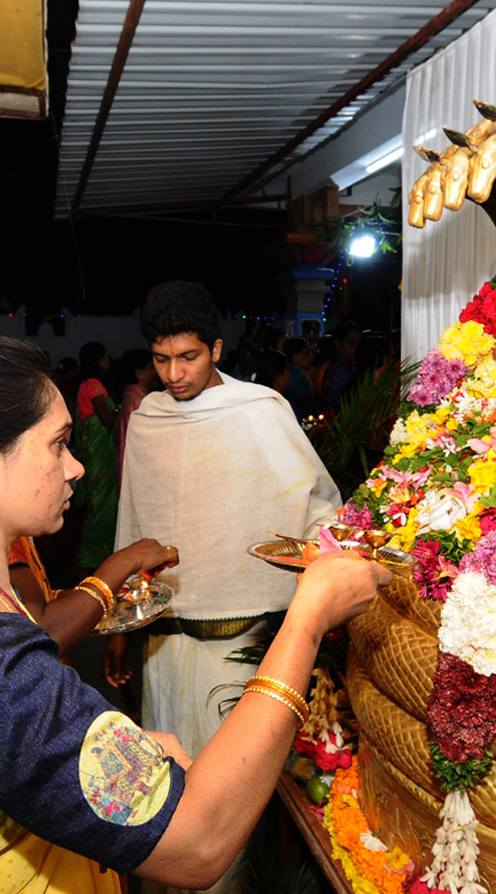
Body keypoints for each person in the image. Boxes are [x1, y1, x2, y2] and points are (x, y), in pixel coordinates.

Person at [0, 335, 386, 893]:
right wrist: (308, 618)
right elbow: (199, 844)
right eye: (57, 445)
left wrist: (127, 751)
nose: (77, 466)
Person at [115, 282, 342, 759]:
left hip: (247, 636)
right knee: (174, 768)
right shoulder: (147, 418)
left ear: (216, 349)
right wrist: (122, 621)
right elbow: (134, 522)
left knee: (241, 768)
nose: (174, 373)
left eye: (189, 357)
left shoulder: (259, 410)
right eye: (160, 359)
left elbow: (316, 503)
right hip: (167, 637)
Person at [73, 342, 119, 571]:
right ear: (100, 360)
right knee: (102, 507)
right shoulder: (94, 385)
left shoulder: (84, 384)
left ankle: (94, 557)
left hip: (94, 452)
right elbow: (107, 420)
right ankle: (91, 559)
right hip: (99, 455)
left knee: (98, 505)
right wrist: (122, 411)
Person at [116, 348, 156, 489]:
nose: (156, 372)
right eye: (151, 368)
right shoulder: (139, 402)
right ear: (139, 373)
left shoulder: (131, 397)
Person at [281, 336, 315, 418]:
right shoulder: (293, 377)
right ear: (295, 357)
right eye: (306, 353)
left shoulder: (304, 373)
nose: (311, 356)